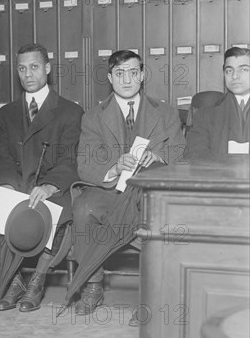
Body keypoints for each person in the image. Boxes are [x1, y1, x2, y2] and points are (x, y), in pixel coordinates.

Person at [0, 43, 83, 312]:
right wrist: (9, 185)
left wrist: (50, 185)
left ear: (48, 69)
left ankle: (37, 281)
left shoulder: (69, 111)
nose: (28, 74)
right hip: (18, 183)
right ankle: (14, 280)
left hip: (53, 185)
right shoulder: (6, 113)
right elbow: (3, 158)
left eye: (34, 67)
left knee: (60, 216)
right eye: (22, 68)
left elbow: (70, 159)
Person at [72, 50, 186, 316]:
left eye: (133, 72)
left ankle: (151, 293)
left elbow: (181, 153)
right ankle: (93, 284)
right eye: (120, 73)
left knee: (160, 216)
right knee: (83, 209)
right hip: (112, 192)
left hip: (151, 192)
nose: (127, 80)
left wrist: (157, 156)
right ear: (110, 78)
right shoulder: (93, 117)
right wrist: (113, 168)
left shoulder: (165, 112)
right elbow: (85, 165)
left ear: (143, 75)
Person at [186, 46, 250, 159]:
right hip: (218, 175)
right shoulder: (204, 115)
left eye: (243, 69)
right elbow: (195, 156)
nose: (234, 76)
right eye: (229, 71)